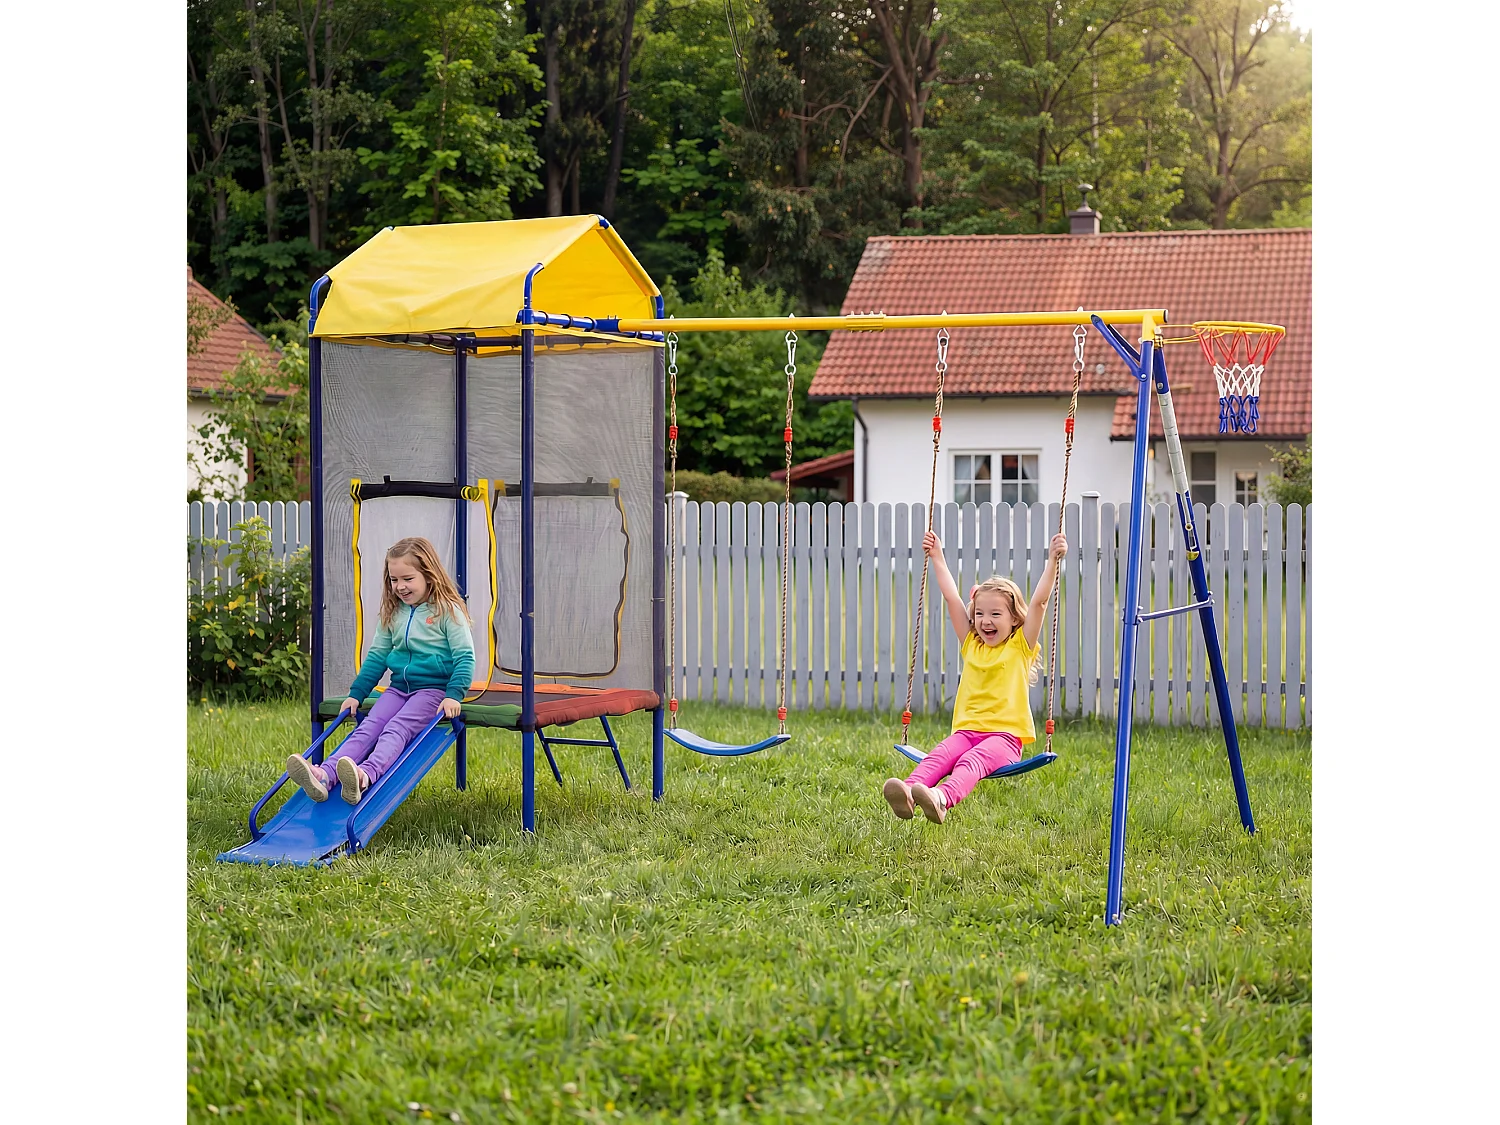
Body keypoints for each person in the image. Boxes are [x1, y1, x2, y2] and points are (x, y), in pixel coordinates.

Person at [883, 528, 1066, 824]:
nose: (986, 621)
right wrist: (937, 557)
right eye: (980, 613)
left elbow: (1039, 604)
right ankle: (906, 791)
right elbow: (952, 598)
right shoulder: (972, 644)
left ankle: (941, 799)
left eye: (996, 614)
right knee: (941, 754)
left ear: (1014, 619)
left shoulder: (1020, 646)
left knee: (970, 762)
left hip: (1004, 739)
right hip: (966, 732)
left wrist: (1052, 562)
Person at [286, 537, 475, 805]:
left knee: (396, 728)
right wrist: (356, 694)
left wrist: (454, 695)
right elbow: (377, 657)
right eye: (394, 579)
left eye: (408, 578)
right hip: (398, 688)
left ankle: (364, 776)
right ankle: (325, 775)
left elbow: (465, 657)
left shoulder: (447, 611)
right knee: (368, 727)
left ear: (429, 575)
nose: (400, 586)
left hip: (432, 691)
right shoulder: (393, 612)